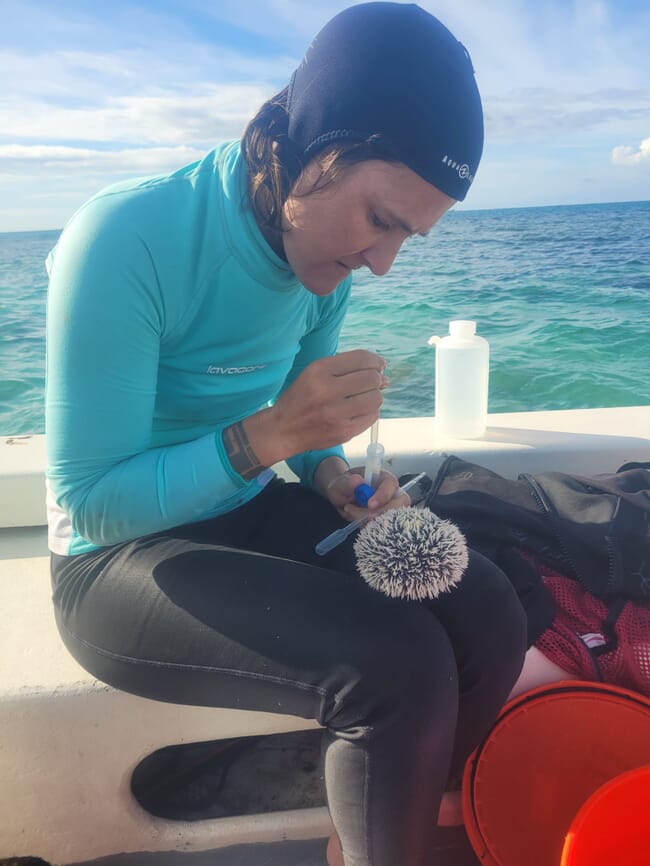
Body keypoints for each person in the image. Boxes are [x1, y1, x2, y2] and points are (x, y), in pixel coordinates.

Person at [45, 4, 527, 865]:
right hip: (113, 560)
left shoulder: (324, 262)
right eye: (381, 218)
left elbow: (303, 444)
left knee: (488, 609)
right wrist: (263, 438)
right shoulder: (125, 239)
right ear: (317, 148)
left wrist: (335, 476)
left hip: (246, 503)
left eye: (408, 237)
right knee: (398, 666)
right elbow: (92, 503)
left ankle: (374, 827)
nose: (383, 262)